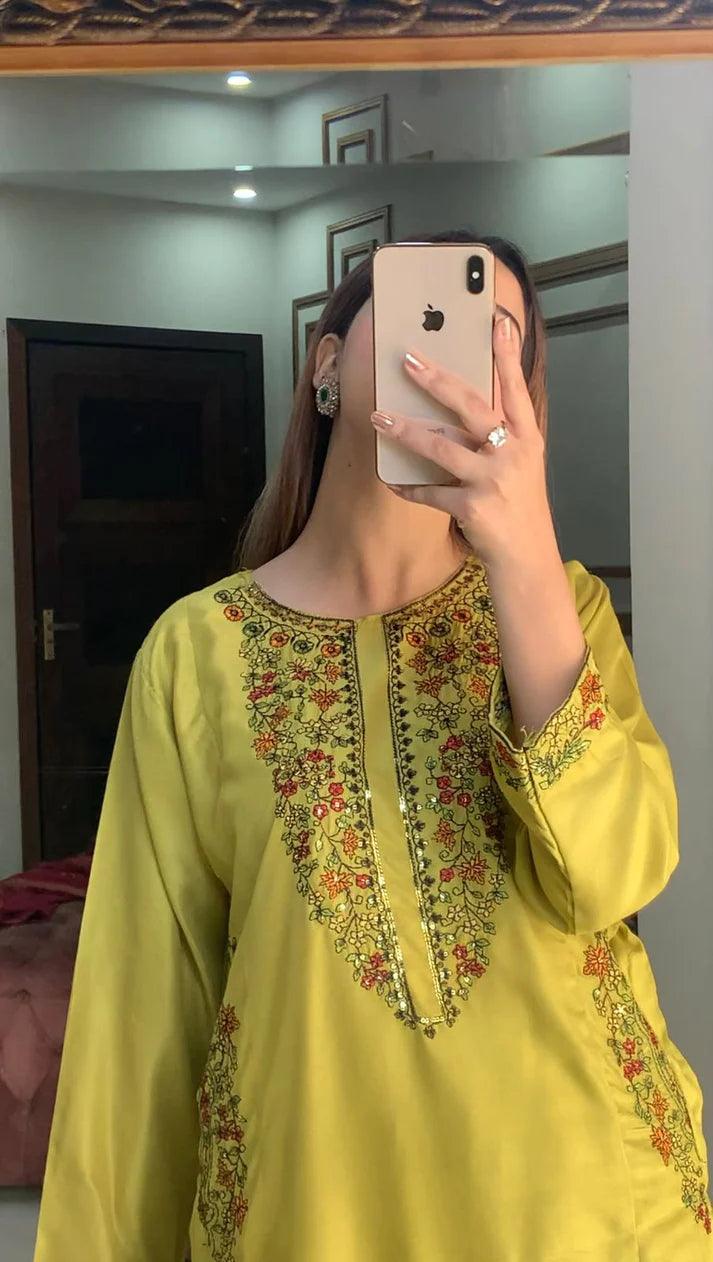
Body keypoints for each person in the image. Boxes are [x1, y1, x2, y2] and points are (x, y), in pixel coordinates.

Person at [33, 230, 712, 1262]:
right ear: (325, 363)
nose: (444, 349)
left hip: (580, 1204)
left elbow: (616, 873)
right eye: (416, 308)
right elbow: (140, 1016)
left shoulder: (561, 608)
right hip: (311, 1209)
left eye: (493, 336)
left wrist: (525, 556)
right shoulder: (195, 652)